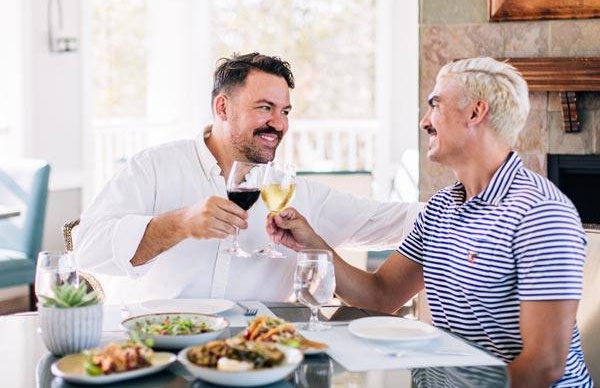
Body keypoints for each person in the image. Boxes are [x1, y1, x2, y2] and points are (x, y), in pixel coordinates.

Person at [268, 57, 591, 388]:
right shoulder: (440, 209)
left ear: (475, 113)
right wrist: (313, 244)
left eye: (435, 105)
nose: (425, 122)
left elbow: (543, 366)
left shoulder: (541, 214)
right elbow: (380, 296)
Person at [74, 52, 423, 304]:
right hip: (154, 352)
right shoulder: (153, 168)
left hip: (258, 359)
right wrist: (178, 224)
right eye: (265, 108)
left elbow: (397, 220)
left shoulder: (296, 196)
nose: (279, 123)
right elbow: (87, 250)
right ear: (223, 108)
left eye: (284, 111)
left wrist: (473, 200)